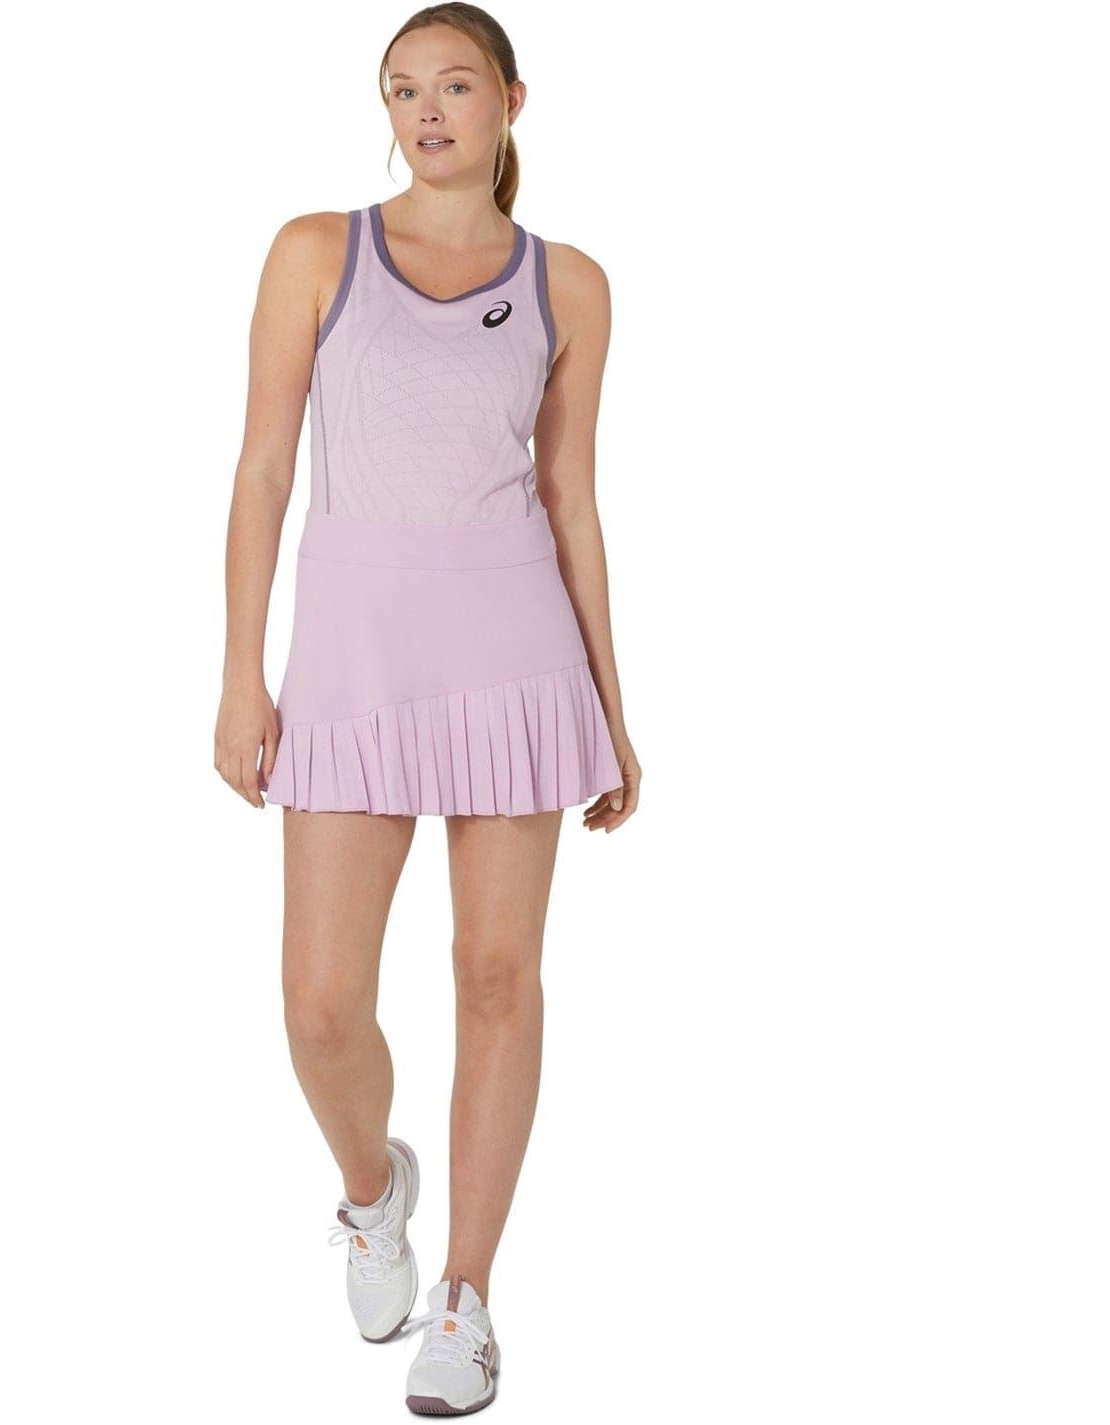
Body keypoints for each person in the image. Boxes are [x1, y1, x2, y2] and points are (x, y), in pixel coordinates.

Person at [215, 4, 641, 1413]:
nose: (428, 111)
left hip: (514, 651)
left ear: (512, 100)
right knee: (320, 1002)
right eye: (403, 90)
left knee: (497, 977)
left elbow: (571, 498)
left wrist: (612, 707)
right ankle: (369, 1190)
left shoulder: (568, 282)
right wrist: (241, 671)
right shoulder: (314, 251)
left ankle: (465, 1293)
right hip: (353, 654)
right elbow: (264, 469)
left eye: (455, 85)